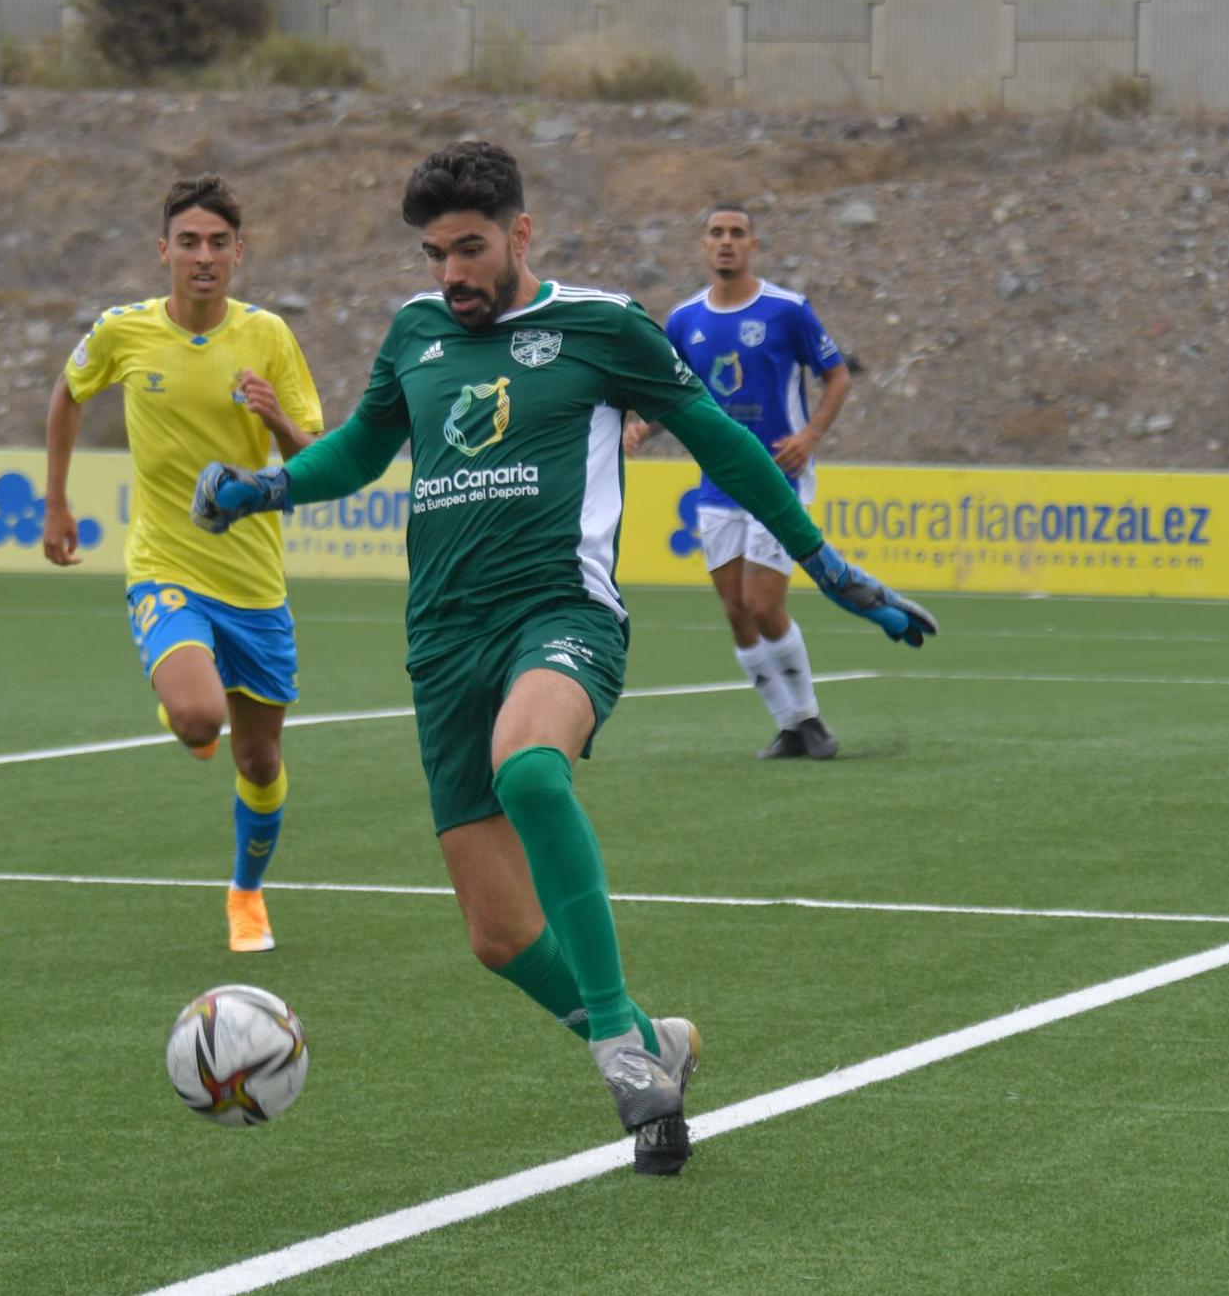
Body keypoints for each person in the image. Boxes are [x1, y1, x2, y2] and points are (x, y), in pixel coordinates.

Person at [191, 143, 934, 1175]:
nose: (449, 274)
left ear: (520, 234)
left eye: (469, 248)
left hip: (559, 611)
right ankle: (644, 1035)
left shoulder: (599, 326)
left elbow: (716, 437)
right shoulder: (413, 332)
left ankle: (621, 1051)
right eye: (433, 253)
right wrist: (261, 488)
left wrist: (825, 563)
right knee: (496, 938)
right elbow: (362, 450)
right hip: (440, 642)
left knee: (530, 768)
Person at [42, 174, 324, 954]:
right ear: (163, 251)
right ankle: (185, 708)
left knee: (260, 758)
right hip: (164, 564)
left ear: (240, 252)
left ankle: (246, 892)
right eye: (189, 242)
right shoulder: (121, 331)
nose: (204, 257)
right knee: (200, 713)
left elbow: (320, 456)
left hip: (256, 585)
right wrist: (55, 502)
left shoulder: (268, 336)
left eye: (219, 243)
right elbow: (68, 395)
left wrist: (275, 419)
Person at [630, 205, 853, 759]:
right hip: (716, 484)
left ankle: (811, 719)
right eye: (716, 234)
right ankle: (788, 726)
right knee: (735, 612)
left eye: (737, 233)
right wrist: (643, 428)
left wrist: (811, 437)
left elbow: (838, 373)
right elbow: (674, 396)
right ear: (702, 246)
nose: (726, 242)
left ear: (754, 243)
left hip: (779, 477)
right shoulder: (683, 320)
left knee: (762, 603)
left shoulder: (786, 310)